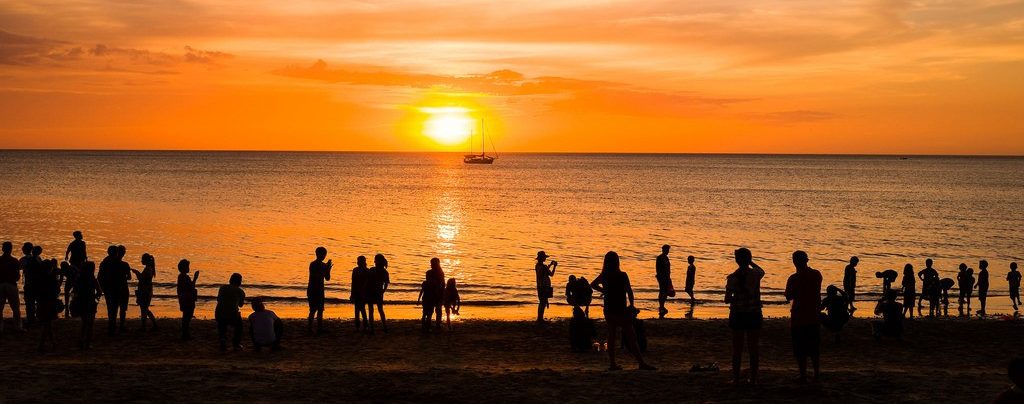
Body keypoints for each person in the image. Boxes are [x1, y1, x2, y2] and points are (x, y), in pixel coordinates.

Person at [590, 251, 655, 371]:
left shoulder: (605, 275)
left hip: (609, 309)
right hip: (620, 309)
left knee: (612, 335)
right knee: (631, 336)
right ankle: (641, 362)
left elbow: (592, 284)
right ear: (617, 262)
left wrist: (604, 291)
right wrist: (632, 305)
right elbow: (629, 291)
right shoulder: (622, 275)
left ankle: (612, 364)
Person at [725, 247, 764, 385]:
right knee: (753, 348)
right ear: (749, 259)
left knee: (737, 348)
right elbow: (761, 270)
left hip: (738, 314)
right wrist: (751, 262)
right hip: (754, 314)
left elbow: (727, 299)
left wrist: (737, 296)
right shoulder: (755, 274)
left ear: (736, 260)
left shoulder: (732, 278)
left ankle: (736, 378)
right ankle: (753, 378)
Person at [784, 251, 822, 383]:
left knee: (800, 348)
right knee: (813, 348)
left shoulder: (793, 278)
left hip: (799, 316)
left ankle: (803, 374)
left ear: (794, 261)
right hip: (813, 315)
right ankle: (816, 374)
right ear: (807, 260)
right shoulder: (816, 274)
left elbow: (789, 296)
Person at [97, 245, 129, 335]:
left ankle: (112, 326)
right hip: (117, 289)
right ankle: (113, 327)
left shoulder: (105, 262)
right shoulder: (120, 263)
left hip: (110, 289)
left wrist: (101, 288)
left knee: (111, 309)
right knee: (115, 308)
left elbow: (99, 277)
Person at [71, 261, 101, 349]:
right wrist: (96, 296)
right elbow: (99, 291)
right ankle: (87, 343)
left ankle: (80, 340)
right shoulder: (93, 279)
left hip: (81, 301)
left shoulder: (79, 279)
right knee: (90, 323)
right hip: (90, 302)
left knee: (84, 322)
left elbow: (74, 291)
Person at [215, 273, 245, 351]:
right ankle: (236, 344)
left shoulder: (222, 288)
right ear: (239, 282)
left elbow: (218, 299)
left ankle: (223, 340)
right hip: (232, 314)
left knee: (222, 325)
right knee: (239, 326)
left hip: (219, 312)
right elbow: (241, 305)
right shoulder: (240, 291)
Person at [306, 247, 332, 335]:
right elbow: (315, 276)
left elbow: (327, 278)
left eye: (324, 254)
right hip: (313, 289)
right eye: (322, 254)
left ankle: (319, 328)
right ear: (317, 254)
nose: (324, 256)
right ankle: (310, 328)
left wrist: (328, 269)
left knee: (320, 310)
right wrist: (326, 268)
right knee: (313, 309)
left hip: (320, 290)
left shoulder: (324, 265)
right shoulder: (313, 264)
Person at [35, 259, 60, 352]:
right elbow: (57, 291)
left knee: (47, 324)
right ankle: (41, 345)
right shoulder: (52, 278)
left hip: (41, 302)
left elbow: (36, 291)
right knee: (47, 324)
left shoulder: (38, 278)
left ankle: (53, 342)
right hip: (50, 303)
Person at [0, 241, 23, 334]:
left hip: (0, 284)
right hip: (11, 284)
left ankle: (0, 328)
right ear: (11, 249)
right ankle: (17, 327)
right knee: (15, 308)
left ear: (2, 249)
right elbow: (17, 276)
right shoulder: (14, 261)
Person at [131, 253, 157, 332]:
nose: (141, 261)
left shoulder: (148, 269)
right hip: (146, 291)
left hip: (145, 291)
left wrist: (137, 273)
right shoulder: (149, 268)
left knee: (144, 309)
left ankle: (144, 327)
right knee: (145, 309)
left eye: (142, 259)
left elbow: (142, 279)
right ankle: (154, 325)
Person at [365, 254, 391, 334]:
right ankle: (384, 327)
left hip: (371, 291)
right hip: (378, 292)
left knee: (371, 310)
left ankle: (372, 328)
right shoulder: (385, 272)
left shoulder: (372, 270)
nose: (374, 261)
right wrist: (383, 290)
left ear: (376, 261)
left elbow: (367, 281)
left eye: (375, 260)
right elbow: (386, 283)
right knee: (380, 309)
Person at [176, 259, 199, 341]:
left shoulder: (182, 277)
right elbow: (190, 287)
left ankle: (185, 334)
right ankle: (185, 334)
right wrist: (195, 278)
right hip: (187, 299)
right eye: (187, 266)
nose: (189, 268)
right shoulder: (183, 277)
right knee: (187, 317)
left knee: (186, 316)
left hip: (185, 299)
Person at [534, 251, 557, 322]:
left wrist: (550, 265)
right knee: (543, 303)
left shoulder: (537, 266)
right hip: (545, 286)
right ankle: (540, 318)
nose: (545, 259)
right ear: (543, 258)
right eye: (544, 257)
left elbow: (544, 271)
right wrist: (554, 266)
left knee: (542, 302)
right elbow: (551, 274)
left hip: (539, 286)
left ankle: (539, 317)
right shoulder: (543, 267)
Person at [350, 256, 369, 331]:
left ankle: (364, 325)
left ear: (363, 262)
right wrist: (352, 293)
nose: (358, 262)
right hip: (356, 292)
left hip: (363, 292)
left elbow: (367, 283)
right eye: (358, 260)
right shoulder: (355, 270)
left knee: (361, 308)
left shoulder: (367, 271)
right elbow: (353, 282)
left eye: (359, 261)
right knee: (357, 309)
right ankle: (358, 325)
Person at [426, 258, 446, 329]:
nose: (431, 265)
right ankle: (435, 324)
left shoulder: (435, 273)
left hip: (436, 294)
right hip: (434, 293)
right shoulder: (431, 273)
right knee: (434, 310)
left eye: (432, 263)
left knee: (434, 310)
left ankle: (435, 324)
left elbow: (442, 284)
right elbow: (442, 284)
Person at [20, 242, 36, 327]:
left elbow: (19, 268)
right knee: (33, 301)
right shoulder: (37, 258)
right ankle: (33, 317)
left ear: (24, 250)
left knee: (29, 302)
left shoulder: (23, 259)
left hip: (28, 283)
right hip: (36, 283)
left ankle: (30, 318)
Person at [655, 245, 673, 319]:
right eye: (667, 249)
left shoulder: (665, 257)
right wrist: (661, 276)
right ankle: (661, 306)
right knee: (663, 291)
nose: (668, 251)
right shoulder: (660, 258)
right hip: (663, 277)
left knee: (664, 291)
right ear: (664, 250)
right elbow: (658, 269)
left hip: (665, 277)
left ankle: (662, 306)